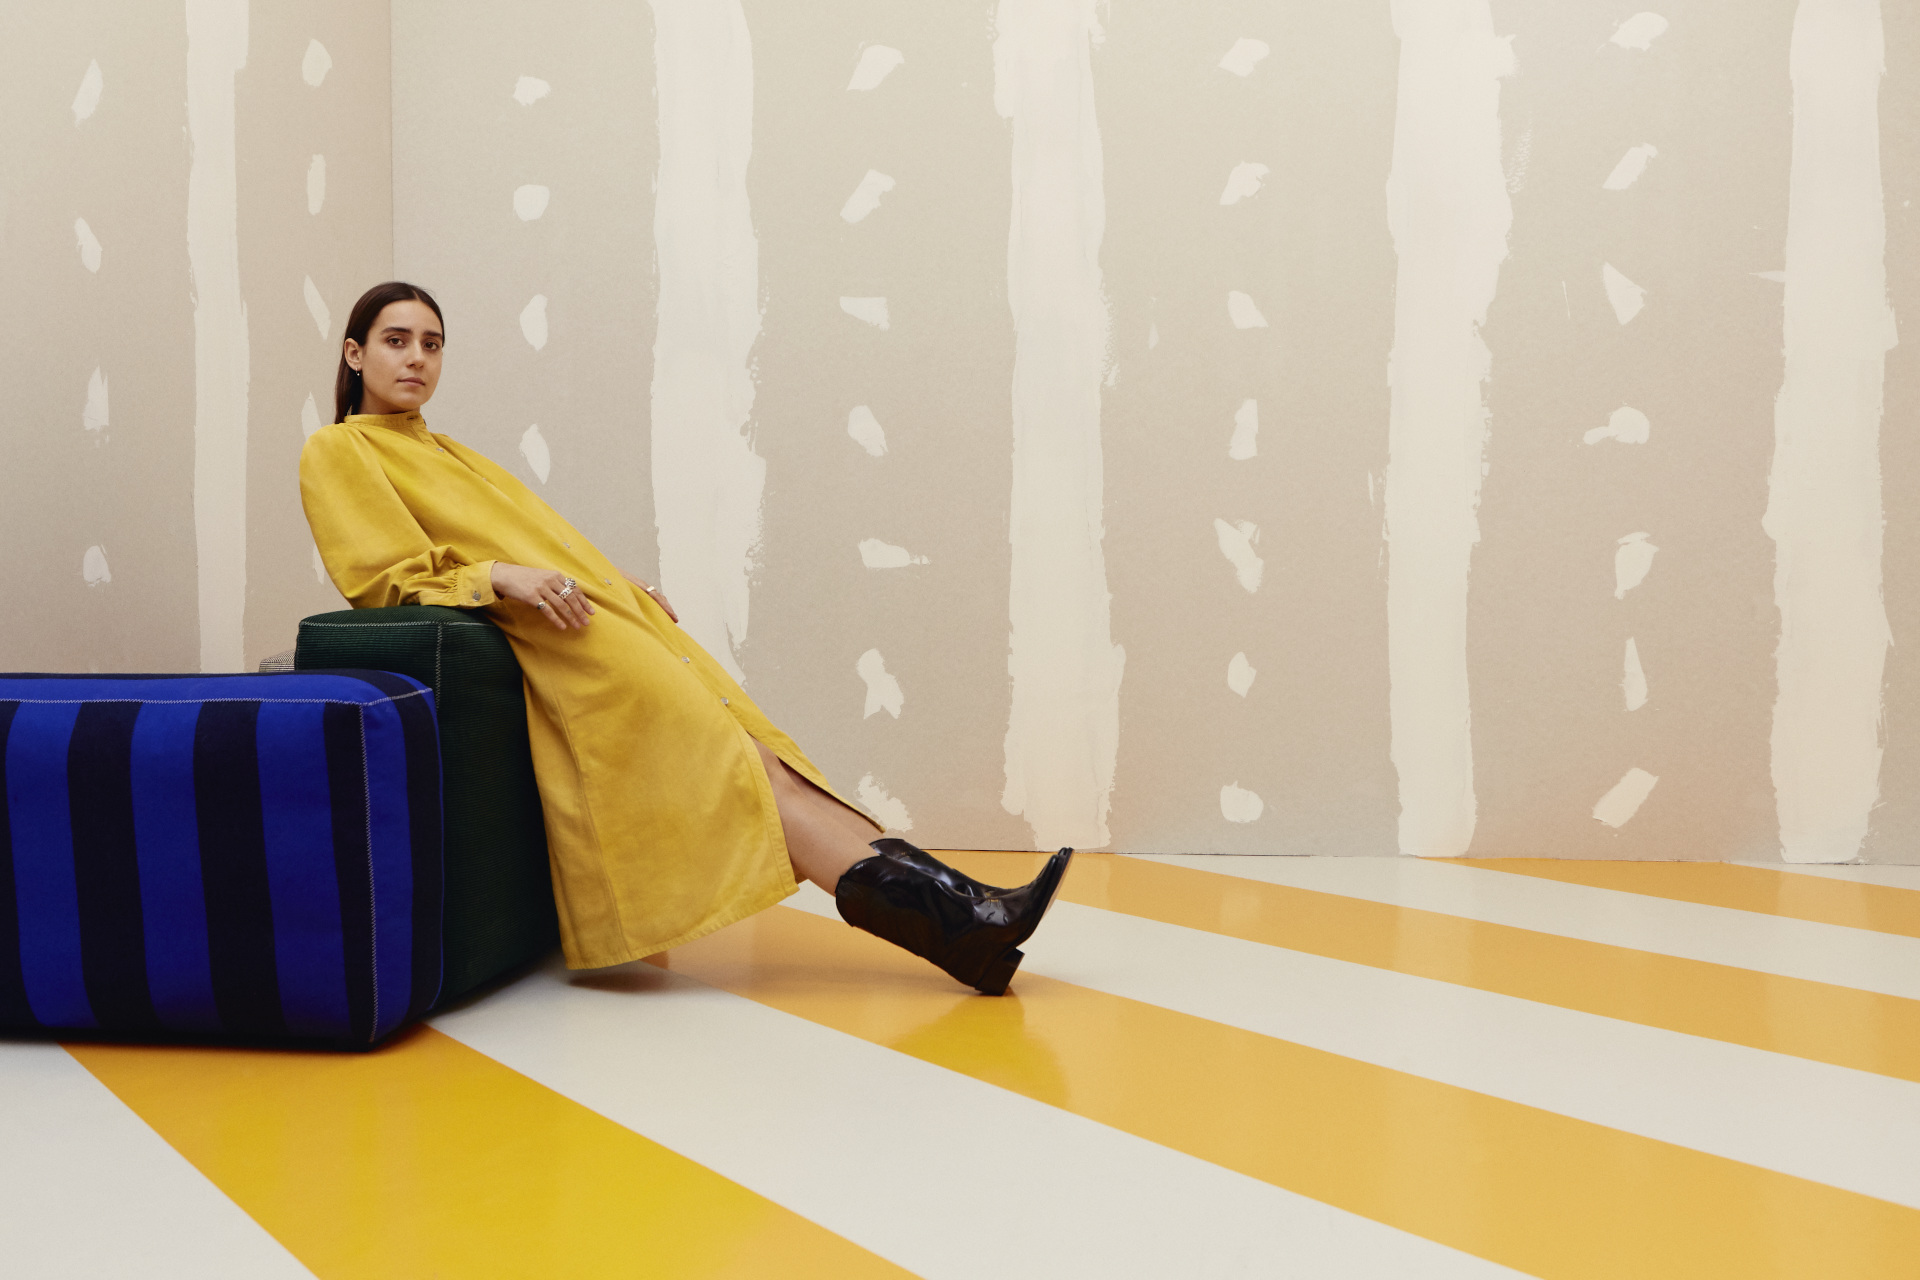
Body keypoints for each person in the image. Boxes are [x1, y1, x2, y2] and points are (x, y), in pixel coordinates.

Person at [299, 281, 1070, 994]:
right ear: (355, 353)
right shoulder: (340, 449)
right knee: (740, 770)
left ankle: (967, 914)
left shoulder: (447, 450)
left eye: (432, 344)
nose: (418, 358)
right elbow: (381, 576)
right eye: (397, 340)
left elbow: (545, 544)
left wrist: (617, 584)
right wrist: (498, 576)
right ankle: (963, 926)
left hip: (605, 623)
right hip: (567, 649)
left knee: (762, 759)